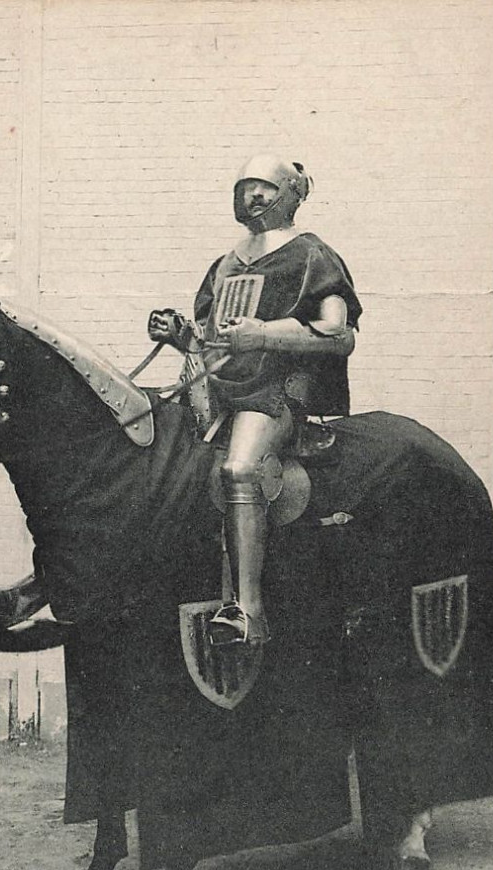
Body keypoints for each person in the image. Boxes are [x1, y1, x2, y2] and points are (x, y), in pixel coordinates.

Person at [149, 154, 362, 646]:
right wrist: (180, 334)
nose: (254, 197)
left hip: (274, 395)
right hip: (217, 393)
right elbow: (212, 341)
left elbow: (339, 334)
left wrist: (264, 334)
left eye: (265, 187)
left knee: (239, 470)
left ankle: (247, 611)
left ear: (291, 193)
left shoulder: (313, 255)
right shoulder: (226, 262)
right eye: (247, 187)